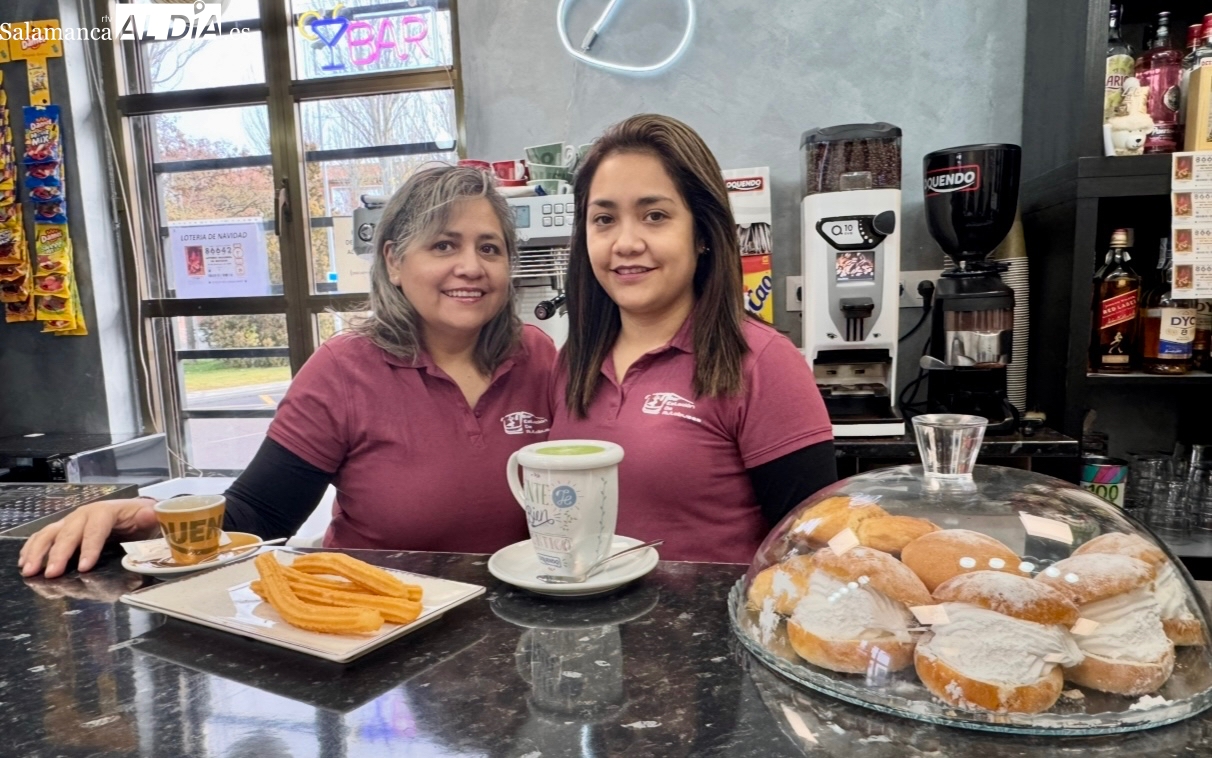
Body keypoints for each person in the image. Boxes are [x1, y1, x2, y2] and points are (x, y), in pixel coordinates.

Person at [20, 165, 556, 578]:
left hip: (521, 619)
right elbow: (260, 512)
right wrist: (151, 515)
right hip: (387, 624)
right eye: (444, 245)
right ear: (394, 261)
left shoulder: (538, 356)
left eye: (491, 248)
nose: (472, 266)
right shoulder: (345, 370)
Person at [552, 114, 837, 564]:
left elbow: (813, 554)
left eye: (655, 216)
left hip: (709, 631)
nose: (625, 242)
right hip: (587, 630)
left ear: (702, 231)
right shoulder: (574, 362)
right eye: (604, 218)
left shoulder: (762, 362)